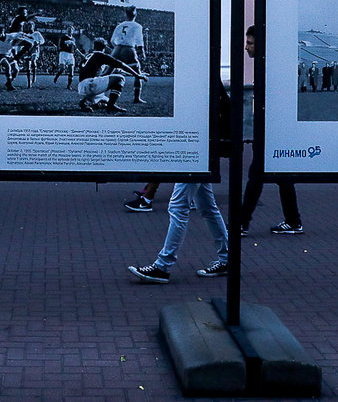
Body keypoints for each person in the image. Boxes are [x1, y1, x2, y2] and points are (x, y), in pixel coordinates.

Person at [240, 26, 303, 235]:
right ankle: (293, 221)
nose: (246, 48)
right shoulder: (270, 66)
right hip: (275, 132)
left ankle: (242, 222)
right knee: (283, 177)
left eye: (250, 43)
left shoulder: (267, 68)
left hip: (271, 132)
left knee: (256, 176)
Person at [127, 182, 229, 283]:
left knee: (179, 208)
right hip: (199, 166)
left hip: (192, 167)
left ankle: (162, 266)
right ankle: (226, 259)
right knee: (207, 207)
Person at [76, 38, 146, 113]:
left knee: (105, 101)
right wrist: (138, 75)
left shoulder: (89, 55)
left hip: (82, 86)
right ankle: (111, 106)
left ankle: (86, 102)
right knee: (120, 79)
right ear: (104, 47)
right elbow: (122, 65)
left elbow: (101, 75)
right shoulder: (100, 55)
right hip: (90, 85)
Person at [110, 6, 147, 104]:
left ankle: (96, 95)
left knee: (108, 71)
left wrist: (117, 47)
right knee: (137, 72)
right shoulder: (137, 26)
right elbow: (139, 40)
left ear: (125, 14)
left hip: (117, 49)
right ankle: (136, 98)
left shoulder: (119, 25)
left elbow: (112, 40)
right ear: (136, 14)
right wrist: (142, 51)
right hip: (128, 49)